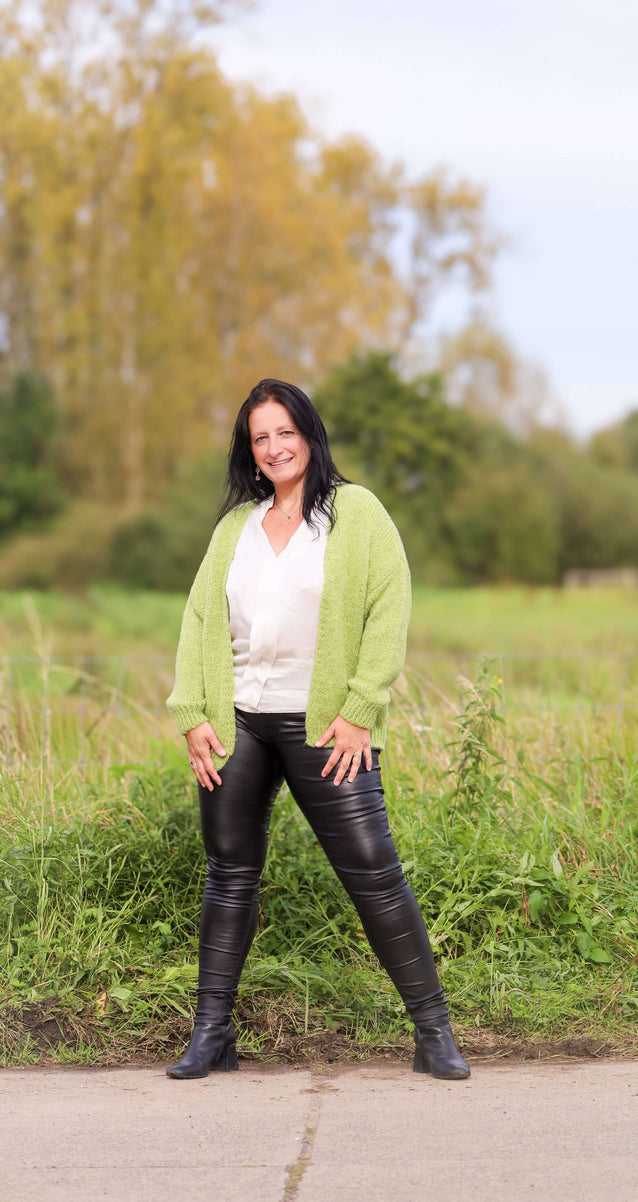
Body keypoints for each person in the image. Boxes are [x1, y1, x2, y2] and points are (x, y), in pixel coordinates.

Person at [165, 378, 470, 1082]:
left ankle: (434, 1033)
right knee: (229, 873)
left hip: (326, 725)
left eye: (284, 432)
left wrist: (362, 706)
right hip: (237, 720)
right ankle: (212, 1035)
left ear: (309, 433)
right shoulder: (234, 527)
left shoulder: (355, 513)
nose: (273, 447)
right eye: (259, 437)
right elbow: (199, 622)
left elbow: (389, 609)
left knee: (374, 871)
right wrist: (193, 716)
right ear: (251, 449)